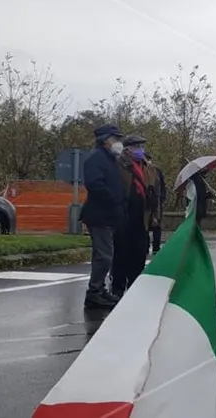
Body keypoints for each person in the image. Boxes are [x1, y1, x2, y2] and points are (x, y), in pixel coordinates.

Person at [80, 125, 126, 309]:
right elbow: (95, 185)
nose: (118, 143)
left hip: (108, 215)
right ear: (105, 140)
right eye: (115, 139)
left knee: (105, 255)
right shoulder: (96, 158)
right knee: (104, 256)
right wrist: (114, 201)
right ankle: (94, 292)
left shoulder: (110, 159)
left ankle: (98, 290)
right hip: (99, 215)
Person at [111, 134, 155, 297]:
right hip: (124, 216)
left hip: (142, 217)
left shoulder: (147, 167)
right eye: (137, 147)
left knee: (139, 254)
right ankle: (117, 288)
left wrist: (154, 214)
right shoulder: (118, 165)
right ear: (128, 149)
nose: (141, 150)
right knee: (121, 254)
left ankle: (135, 288)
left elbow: (154, 190)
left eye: (142, 147)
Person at [144, 153, 167, 255]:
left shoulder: (155, 170)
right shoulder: (150, 170)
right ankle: (153, 247)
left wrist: (161, 199)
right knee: (153, 226)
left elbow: (161, 186)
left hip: (154, 202)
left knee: (153, 225)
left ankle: (153, 246)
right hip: (152, 202)